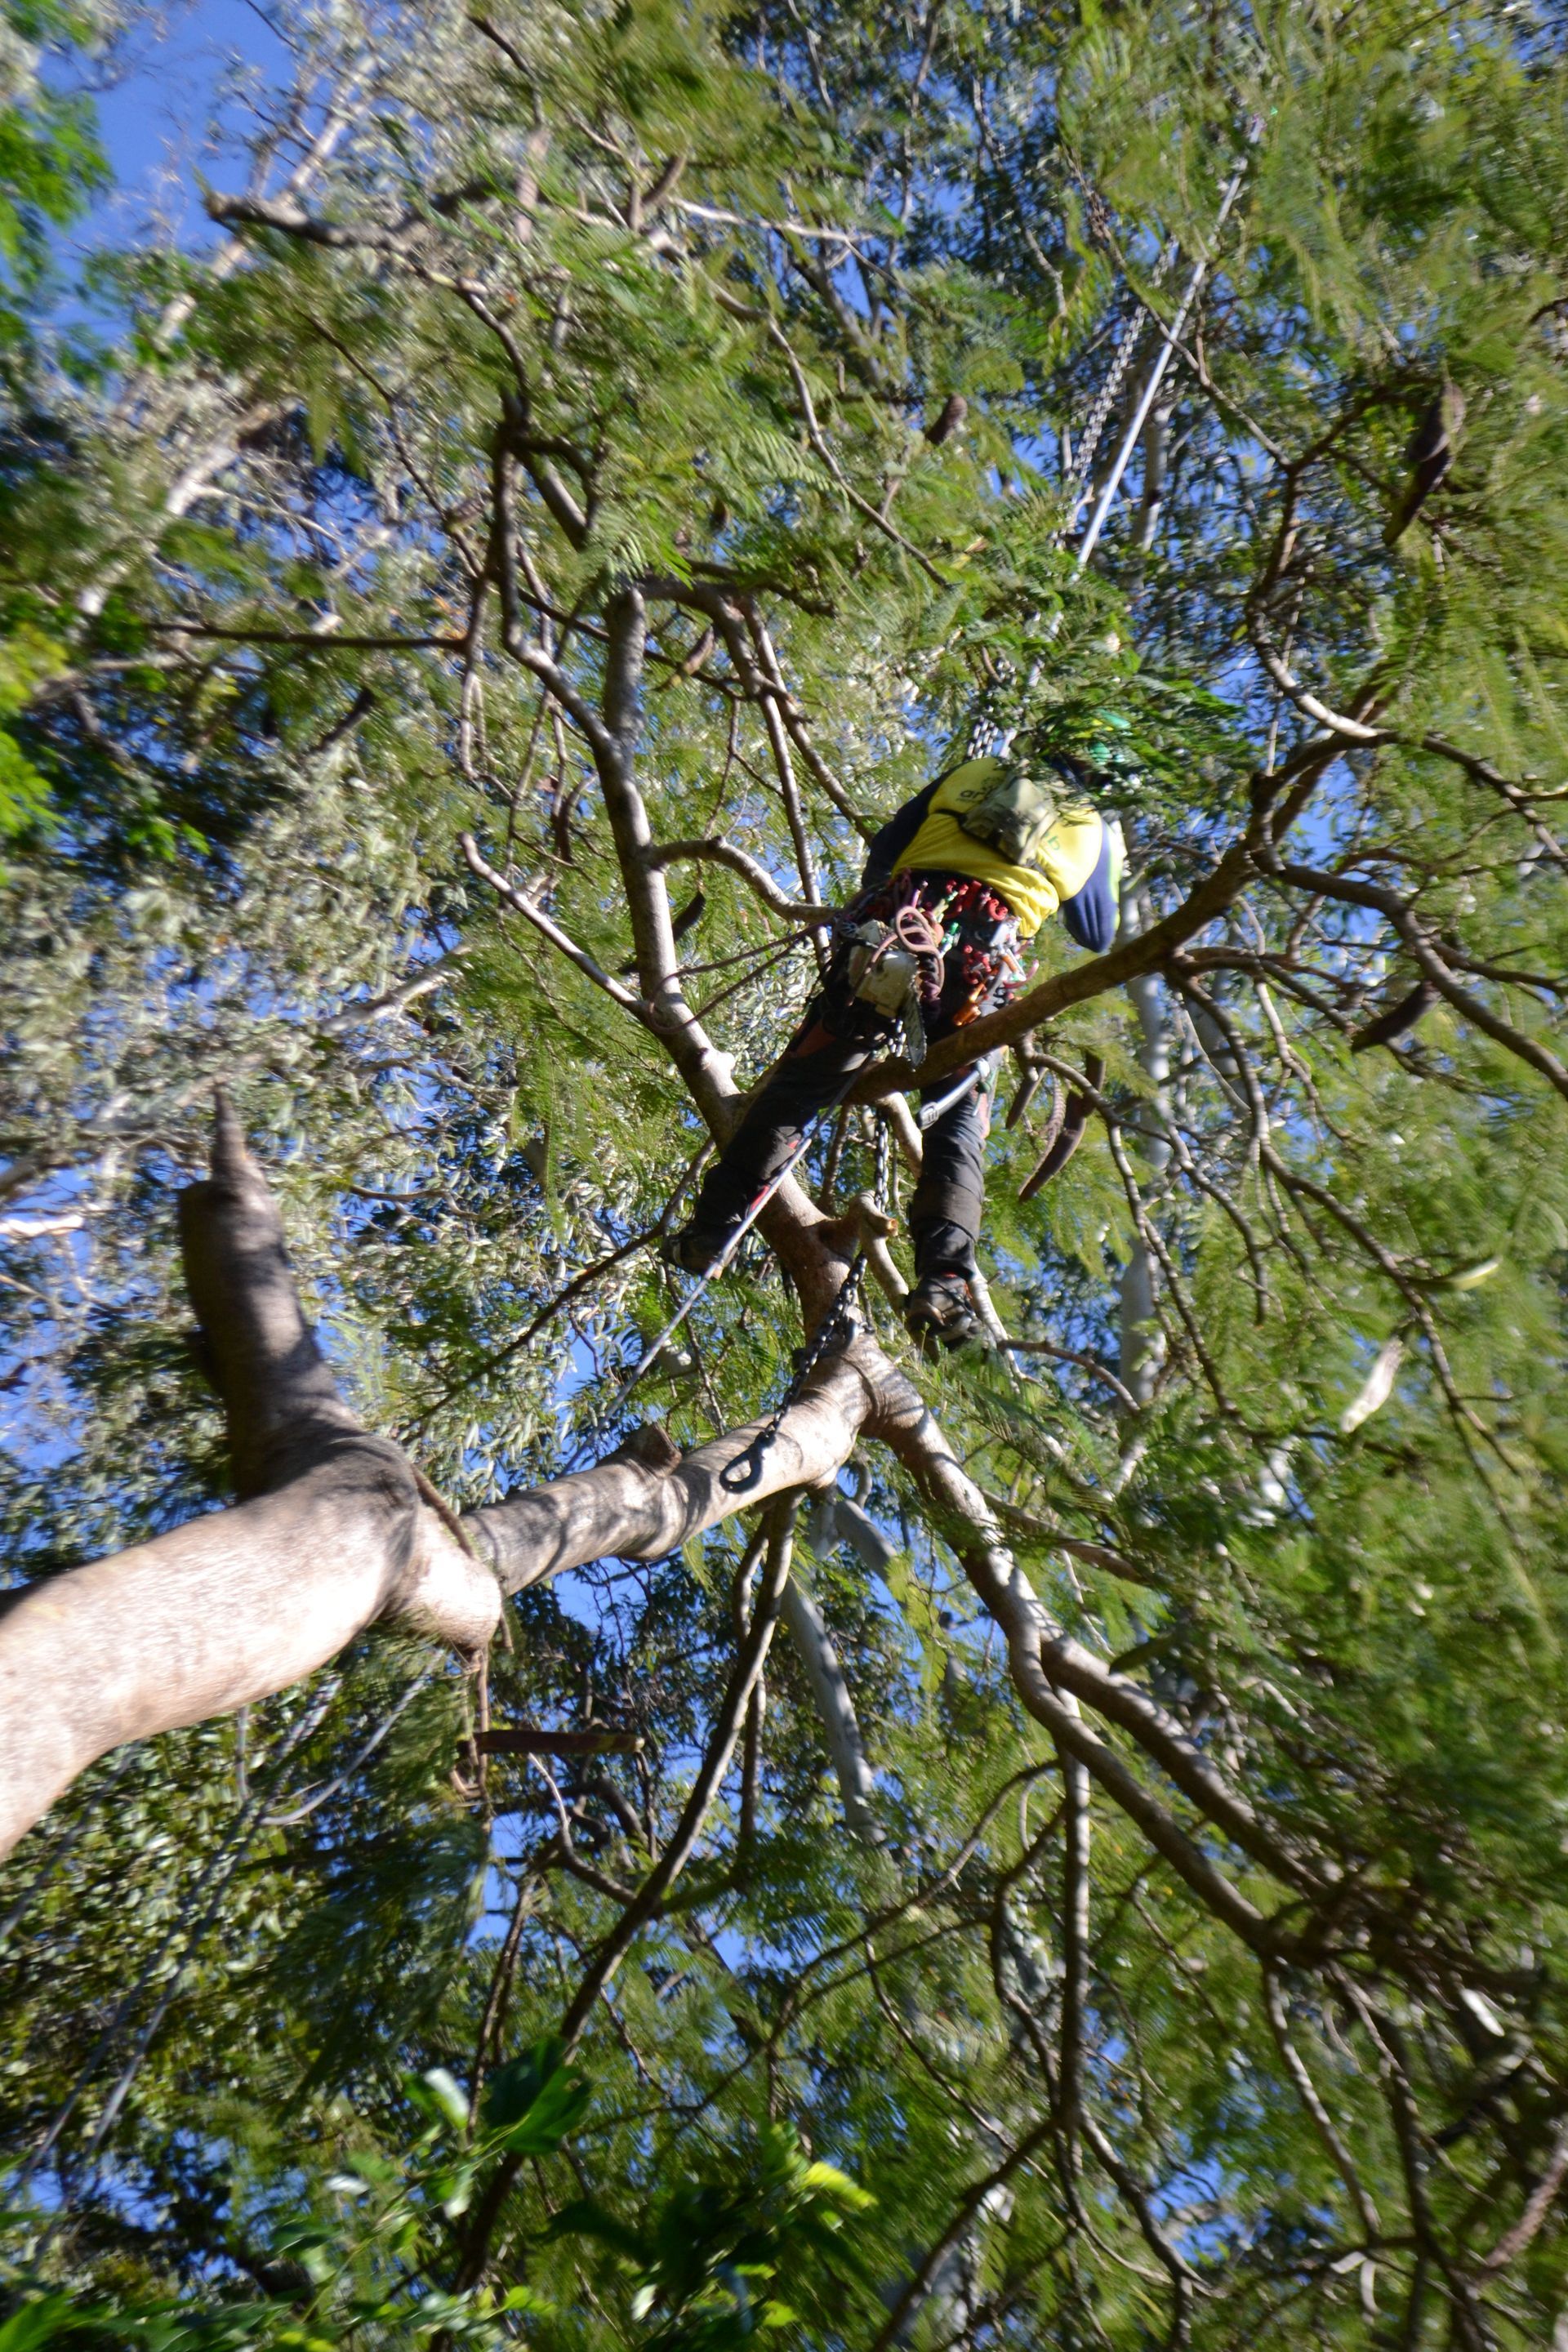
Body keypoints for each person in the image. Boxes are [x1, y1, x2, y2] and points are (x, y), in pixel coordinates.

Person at [666, 750, 1125, 1349]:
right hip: (979, 963)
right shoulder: (1093, 826)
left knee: (805, 1083)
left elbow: (886, 845)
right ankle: (944, 1283)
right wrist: (1106, 851)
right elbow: (1098, 931)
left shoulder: (982, 769)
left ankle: (712, 1230)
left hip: (898, 923)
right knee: (958, 1118)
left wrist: (875, 910)